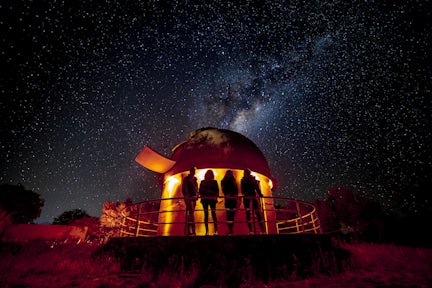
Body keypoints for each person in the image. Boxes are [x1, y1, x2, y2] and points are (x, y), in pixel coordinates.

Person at [240, 168, 265, 234]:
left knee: (255, 212)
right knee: (251, 212)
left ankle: (259, 229)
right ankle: (254, 230)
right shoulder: (248, 180)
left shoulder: (244, 180)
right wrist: (259, 194)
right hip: (249, 197)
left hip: (250, 197)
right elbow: (256, 187)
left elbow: (255, 187)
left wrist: (259, 194)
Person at [199, 169, 219, 235]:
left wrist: (203, 196)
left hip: (205, 200)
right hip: (212, 200)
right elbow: (217, 191)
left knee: (206, 215)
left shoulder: (202, 182)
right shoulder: (214, 182)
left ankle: (207, 231)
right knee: (213, 214)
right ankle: (215, 230)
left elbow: (200, 191)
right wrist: (215, 197)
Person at [182, 167, 198, 235]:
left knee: (191, 214)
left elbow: (196, 188)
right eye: (193, 171)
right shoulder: (187, 179)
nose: (194, 172)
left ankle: (189, 230)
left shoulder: (194, 179)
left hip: (193, 198)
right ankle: (191, 229)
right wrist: (186, 195)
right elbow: (184, 188)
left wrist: (197, 195)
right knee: (191, 213)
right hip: (189, 198)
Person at [221, 170, 238, 235]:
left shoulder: (233, 181)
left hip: (232, 200)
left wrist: (234, 195)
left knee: (231, 215)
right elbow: (223, 189)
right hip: (229, 199)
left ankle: (231, 229)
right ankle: (230, 229)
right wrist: (227, 194)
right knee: (229, 214)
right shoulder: (226, 181)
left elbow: (236, 190)